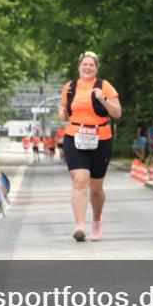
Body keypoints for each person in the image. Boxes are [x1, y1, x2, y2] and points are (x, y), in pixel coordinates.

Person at [58, 51, 121, 242]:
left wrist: (103, 99)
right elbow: (63, 108)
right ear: (79, 66)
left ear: (96, 68)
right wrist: (61, 113)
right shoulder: (70, 87)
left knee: (96, 189)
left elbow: (117, 113)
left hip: (100, 138)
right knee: (80, 180)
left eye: (91, 65)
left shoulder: (105, 86)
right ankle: (80, 226)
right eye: (84, 64)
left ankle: (96, 220)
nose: (88, 68)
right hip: (75, 137)